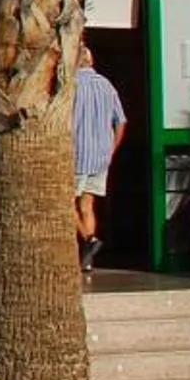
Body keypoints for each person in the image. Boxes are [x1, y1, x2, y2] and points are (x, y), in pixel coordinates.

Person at [72, 38, 129, 272]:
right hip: (101, 157)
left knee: (66, 203)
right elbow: (121, 121)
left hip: (76, 154)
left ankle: (88, 240)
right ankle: (88, 261)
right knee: (87, 205)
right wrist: (112, 148)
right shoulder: (107, 85)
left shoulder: (71, 85)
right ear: (91, 60)